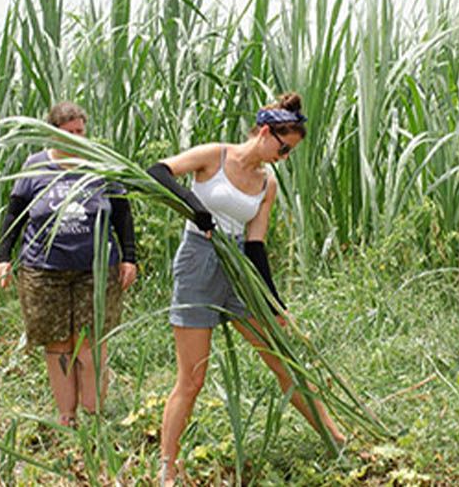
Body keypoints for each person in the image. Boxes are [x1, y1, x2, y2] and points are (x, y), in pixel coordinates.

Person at [146, 93, 345, 485]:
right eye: (283, 148)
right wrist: (193, 206)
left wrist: (274, 304)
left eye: (290, 154)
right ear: (266, 132)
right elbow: (158, 171)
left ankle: (336, 439)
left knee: (284, 360)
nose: (283, 158)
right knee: (192, 378)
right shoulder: (215, 156)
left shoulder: (267, 184)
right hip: (199, 263)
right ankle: (167, 467)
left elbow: (256, 246)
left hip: (240, 269)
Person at [0, 101, 138, 427]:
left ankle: (94, 414)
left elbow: (122, 213)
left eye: (80, 132)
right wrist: (4, 257)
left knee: (89, 343)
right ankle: (67, 417)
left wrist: (129, 256)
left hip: (96, 268)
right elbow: (14, 215)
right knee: (58, 344)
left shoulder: (101, 163)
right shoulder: (35, 167)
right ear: (52, 134)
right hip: (44, 269)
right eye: (69, 133)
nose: (77, 138)